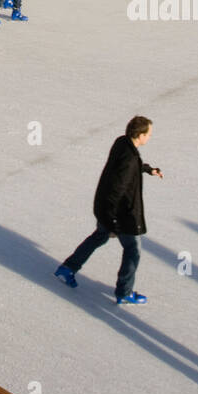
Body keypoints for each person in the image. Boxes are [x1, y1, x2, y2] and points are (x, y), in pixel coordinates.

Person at [55, 115, 163, 305]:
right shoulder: (129, 159)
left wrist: (147, 169)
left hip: (104, 207)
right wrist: (112, 221)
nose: (150, 137)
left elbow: (125, 167)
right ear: (140, 134)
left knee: (99, 236)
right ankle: (124, 292)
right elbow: (117, 189)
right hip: (121, 215)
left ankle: (67, 268)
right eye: (149, 134)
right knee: (133, 250)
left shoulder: (122, 143)